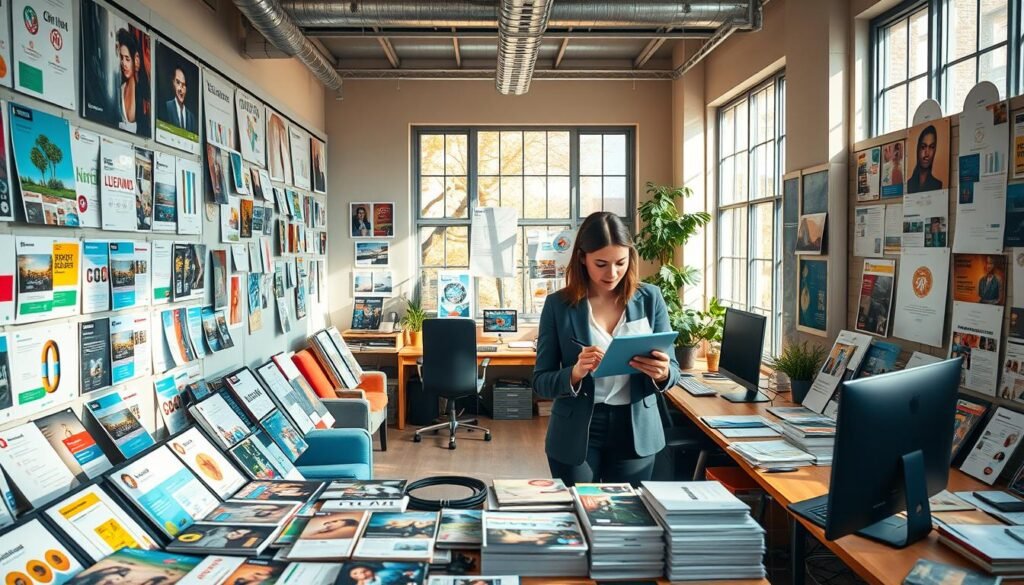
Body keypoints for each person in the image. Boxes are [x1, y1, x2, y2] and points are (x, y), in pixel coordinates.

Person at [532, 212, 680, 486]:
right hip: (577, 431)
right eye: (601, 264)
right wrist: (575, 373)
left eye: (620, 263)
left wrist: (662, 373)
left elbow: (673, 370)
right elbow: (541, 381)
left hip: (636, 429)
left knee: (627, 516)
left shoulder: (650, 298)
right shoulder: (558, 306)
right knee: (579, 513)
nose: (611, 273)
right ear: (582, 258)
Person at [907, 124, 943, 193]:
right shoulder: (909, 184)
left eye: (931, 147)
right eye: (923, 147)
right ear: (918, 149)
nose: (927, 153)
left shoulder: (937, 184)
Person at [116, 29, 139, 133]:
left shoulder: (141, 92)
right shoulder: (120, 89)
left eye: (127, 59)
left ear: (135, 60)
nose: (124, 63)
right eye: (122, 58)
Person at [162, 65, 197, 133]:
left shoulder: (191, 117)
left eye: (183, 85)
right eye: (178, 83)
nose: (180, 89)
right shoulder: (167, 107)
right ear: (173, 83)